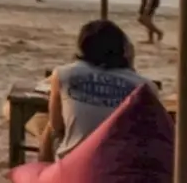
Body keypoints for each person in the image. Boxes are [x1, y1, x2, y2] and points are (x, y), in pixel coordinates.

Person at [39, 19, 154, 162]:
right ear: (123, 49)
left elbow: (57, 126)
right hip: (124, 168)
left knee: (50, 127)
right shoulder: (145, 86)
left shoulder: (64, 74)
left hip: (75, 168)